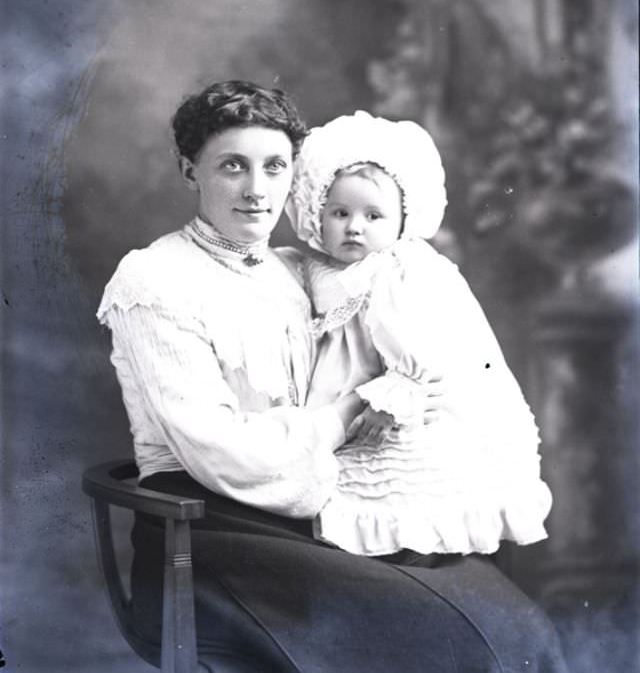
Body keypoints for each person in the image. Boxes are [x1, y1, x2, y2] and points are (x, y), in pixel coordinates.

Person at [98, 80, 567, 672]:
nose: (256, 190)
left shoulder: (300, 270)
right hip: (207, 528)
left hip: (306, 510)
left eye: (275, 167)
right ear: (191, 170)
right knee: (450, 636)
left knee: (509, 618)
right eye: (232, 167)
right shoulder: (154, 280)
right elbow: (220, 453)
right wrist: (348, 414)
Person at [285, 111, 553, 558]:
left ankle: (406, 558)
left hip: (399, 406)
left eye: (373, 215)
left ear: (402, 221)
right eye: (340, 213)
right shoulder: (320, 269)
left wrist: (395, 398)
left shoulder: (398, 269)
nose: (355, 226)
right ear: (317, 215)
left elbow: (420, 349)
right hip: (344, 403)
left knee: (396, 490)